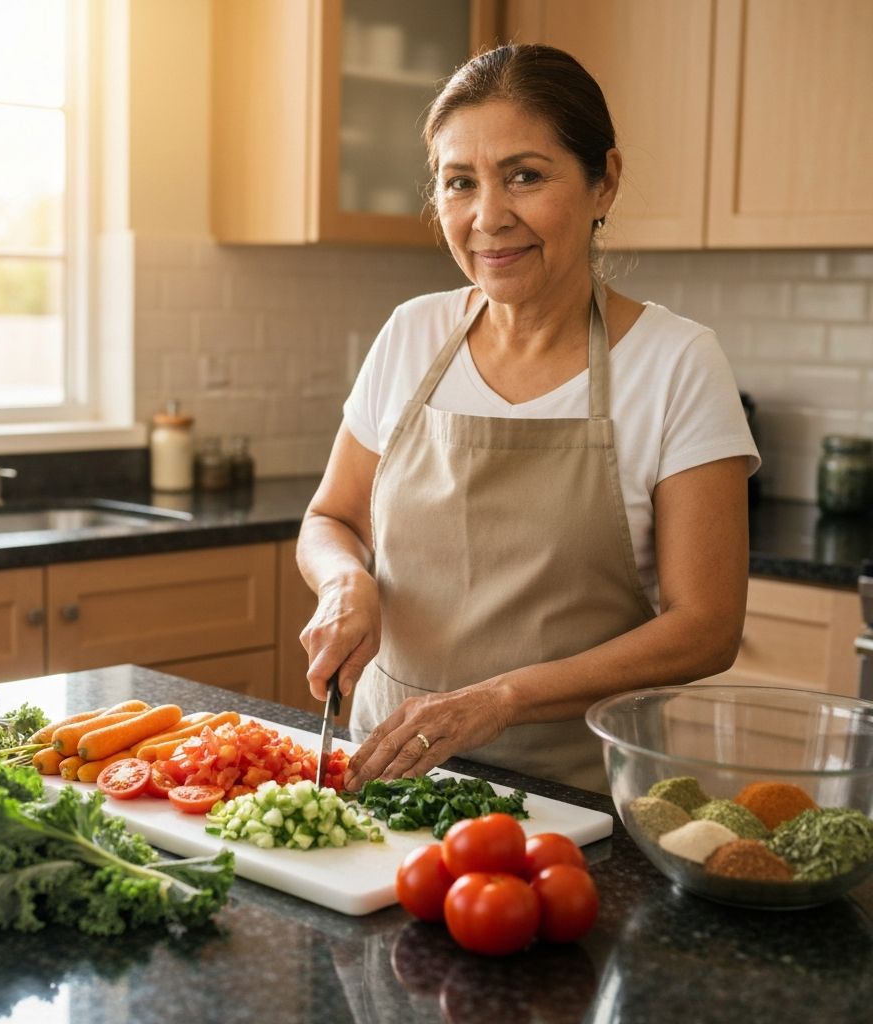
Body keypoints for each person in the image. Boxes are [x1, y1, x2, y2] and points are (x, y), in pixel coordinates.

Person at [296, 43, 760, 794]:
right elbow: (331, 517)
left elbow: (707, 627)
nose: (487, 217)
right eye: (459, 183)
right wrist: (345, 582)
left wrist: (501, 699)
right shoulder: (410, 333)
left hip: (579, 799)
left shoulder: (676, 363)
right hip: (386, 776)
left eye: (525, 176)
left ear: (603, 181)